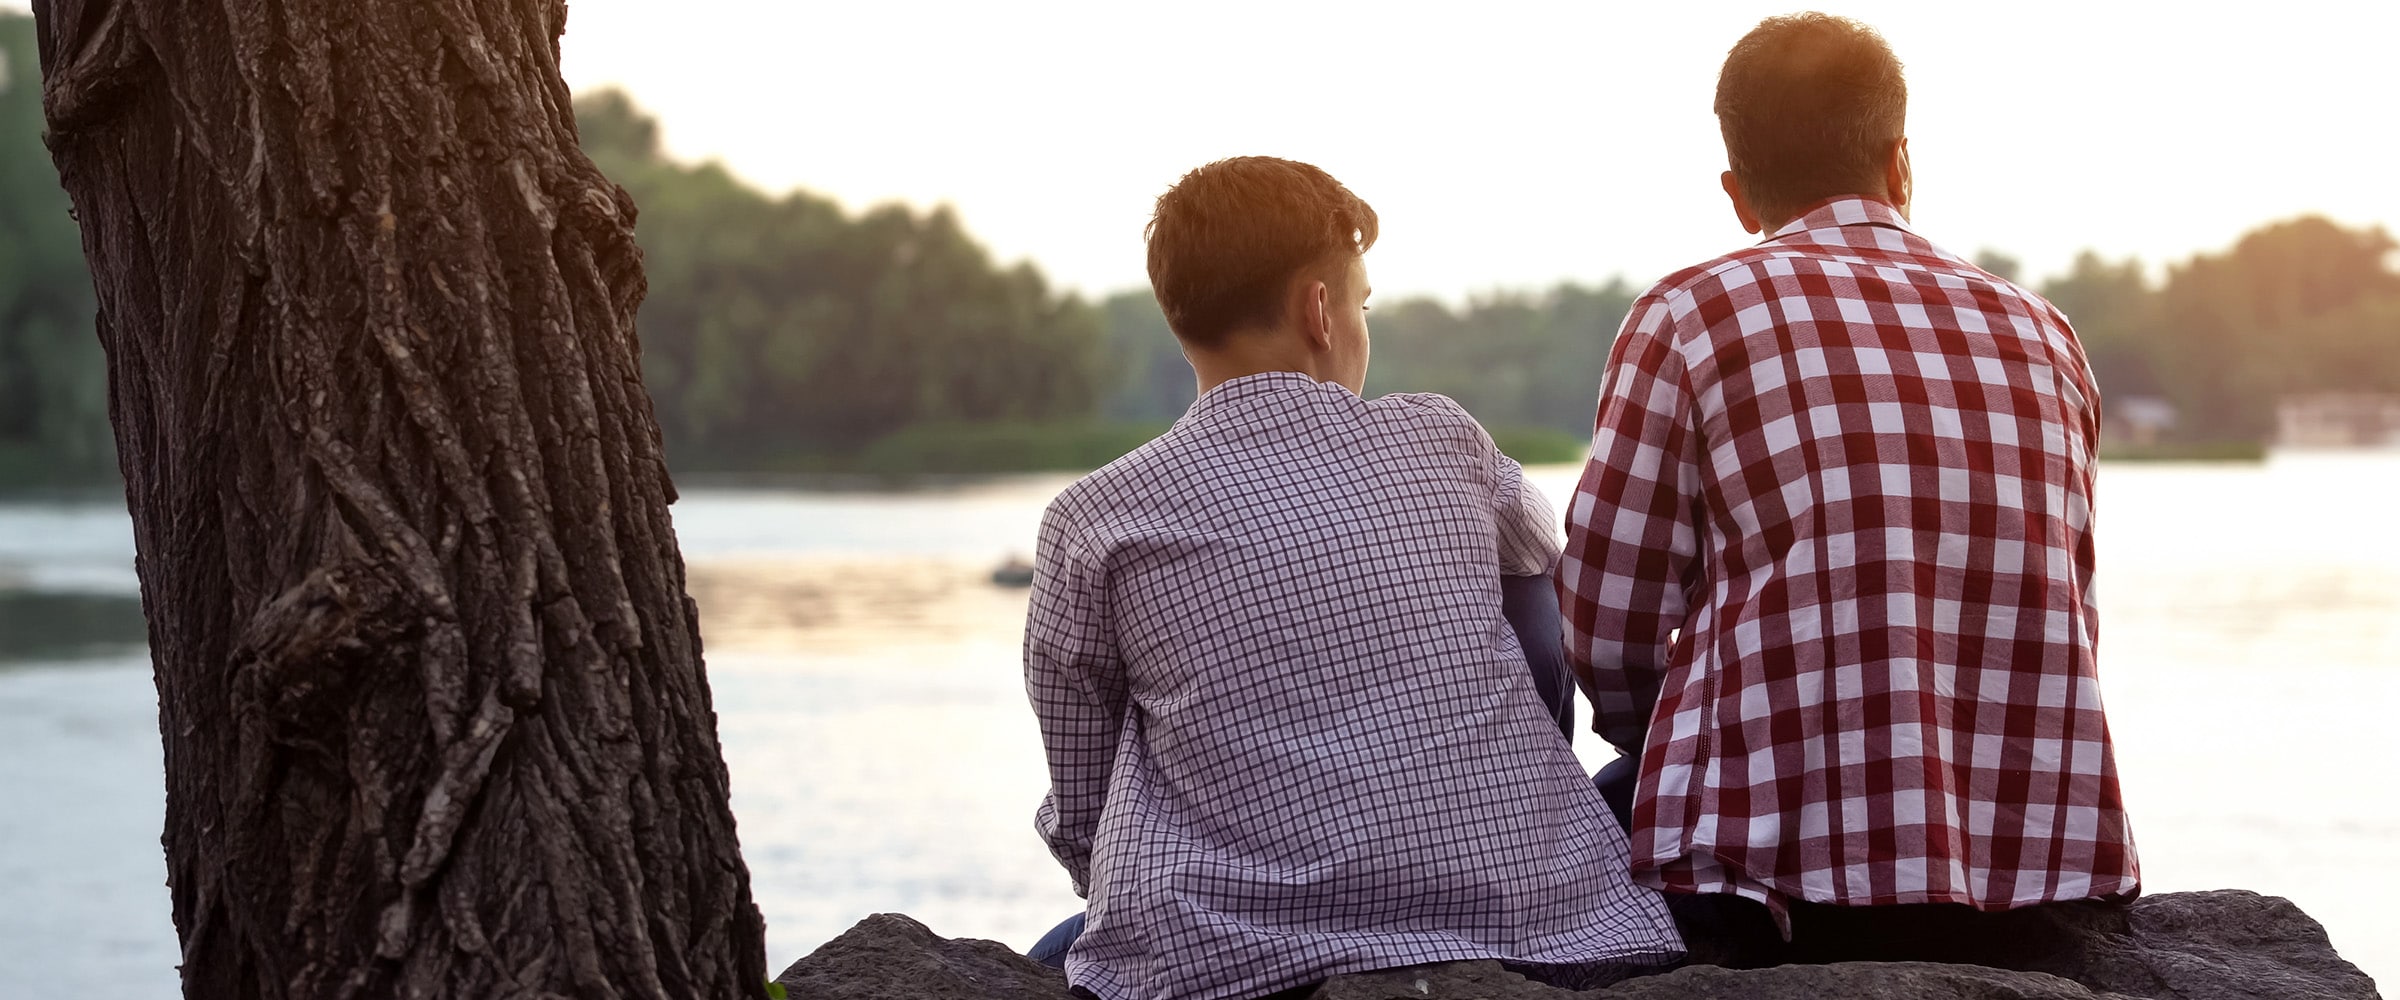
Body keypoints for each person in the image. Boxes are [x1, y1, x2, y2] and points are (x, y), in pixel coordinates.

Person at [1557, 12, 2140, 967]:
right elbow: (2071, 605)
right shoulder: (2045, 333)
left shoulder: (1690, 314)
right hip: (2032, 866)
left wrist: (1648, 735)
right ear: (1901, 163)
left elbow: (1607, 615)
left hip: (1765, 871)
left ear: (1739, 196)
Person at [1023, 156, 1681, 1000]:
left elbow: (1082, 807)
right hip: (1531, 914)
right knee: (1519, 574)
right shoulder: (1441, 437)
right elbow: (1546, 555)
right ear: (1320, 310)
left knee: (1058, 948)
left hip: (1226, 945)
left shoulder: (1095, 516)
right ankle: (1509, 811)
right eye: (1362, 303)